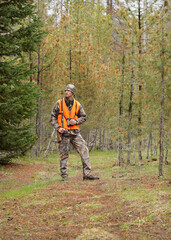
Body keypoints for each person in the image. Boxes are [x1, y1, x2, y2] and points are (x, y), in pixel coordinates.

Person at [50, 84, 99, 181]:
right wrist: (58, 128)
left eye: (68, 90)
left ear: (72, 93)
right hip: (64, 134)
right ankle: (64, 177)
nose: (66, 92)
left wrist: (76, 121)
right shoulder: (59, 103)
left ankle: (87, 174)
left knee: (84, 150)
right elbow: (52, 117)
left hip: (75, 133)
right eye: (65, 90)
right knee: (64, 155)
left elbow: (84, 117)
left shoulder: (77, 104)